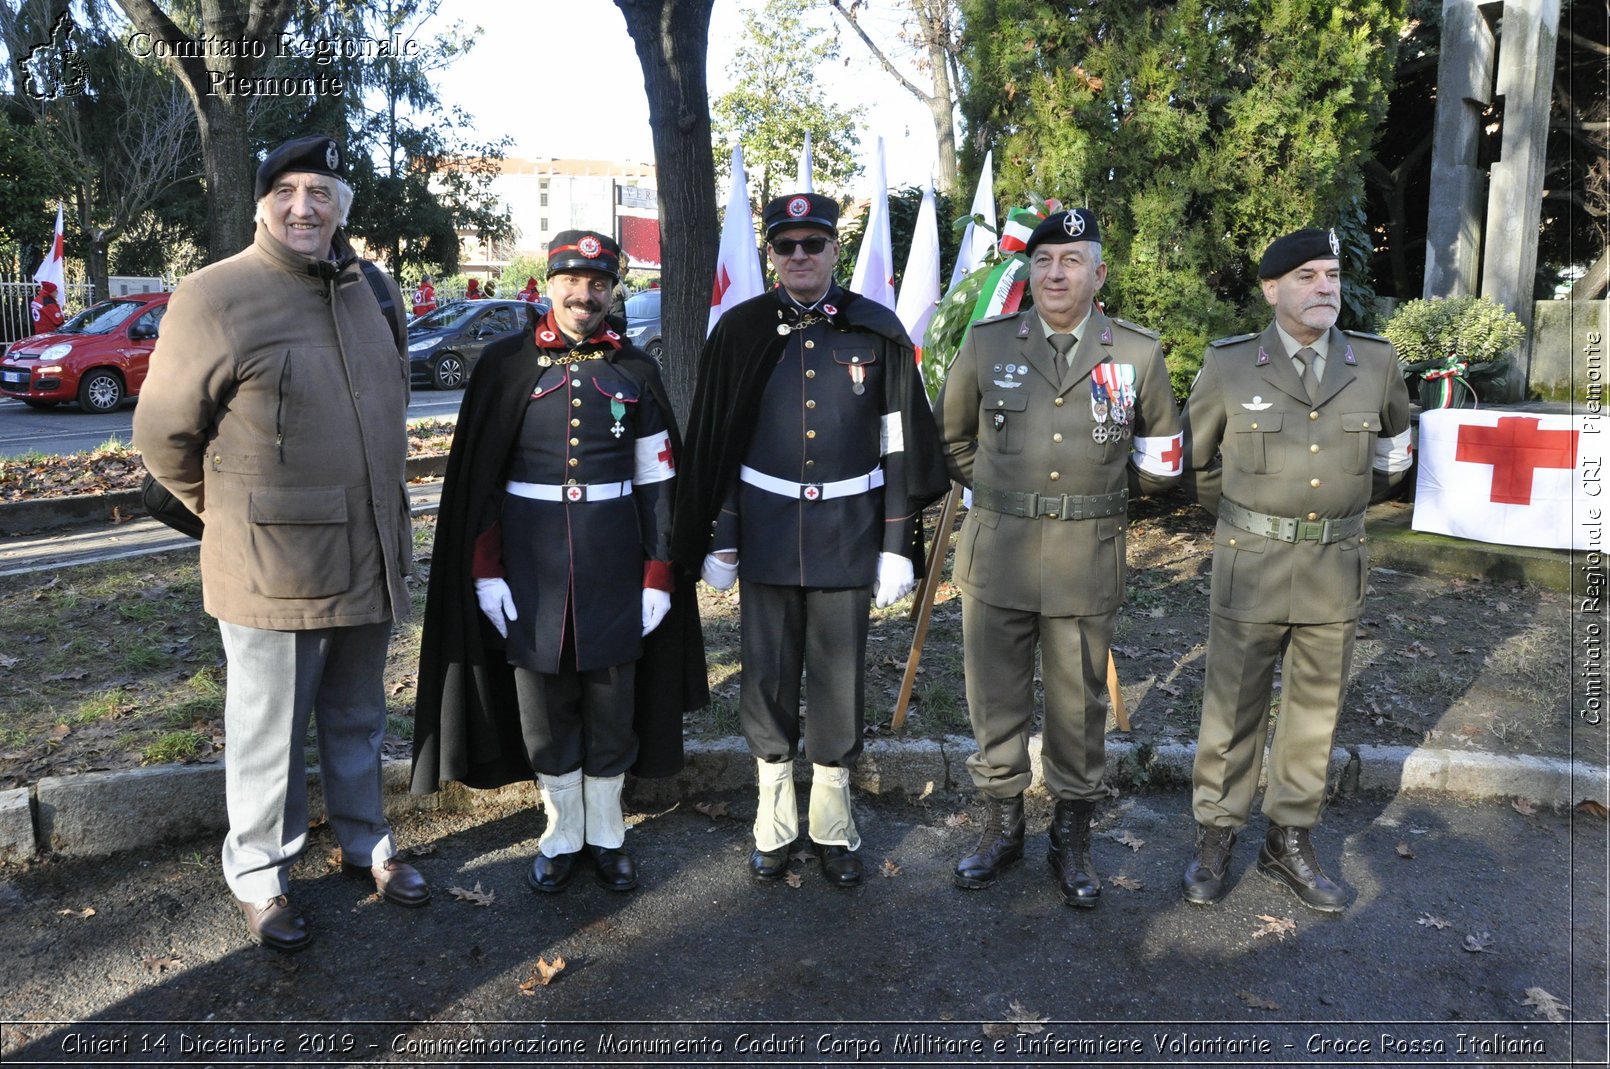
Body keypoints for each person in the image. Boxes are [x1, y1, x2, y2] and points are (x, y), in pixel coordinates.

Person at [133, 134, 427, 953]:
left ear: (342, 206)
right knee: (268, 725)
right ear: (263, 203)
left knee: (359, 711)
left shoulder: (374, 288)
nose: (305, 207)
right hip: (271, 568)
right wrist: (227, 516)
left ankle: (366, 840)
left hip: (368, 547)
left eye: (322, 192)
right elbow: (162, 437)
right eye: (288, 191)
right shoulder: (216, 294)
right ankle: (260, 875)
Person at [411, 230, 705, 894]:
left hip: (614, 567)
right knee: (543, 709)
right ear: (550, 284)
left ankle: (607, 833)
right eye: (572, 281)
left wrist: (660, 573)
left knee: (610, 703)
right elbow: (479, 484)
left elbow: (660, 477)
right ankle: (561, 831)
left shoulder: (636, 370)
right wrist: (485, 570)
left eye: (599, 284)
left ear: (612, 292)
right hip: (531, 573)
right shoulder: (504, 366)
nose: (585, 294)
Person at [673, 192, 948, 888]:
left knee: (837, 674)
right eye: (786, 245)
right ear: (771, 254)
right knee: (765, 673)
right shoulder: (738, 333)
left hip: (849, 533)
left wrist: (896, 542)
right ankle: (773, 816)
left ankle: (830, 817)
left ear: (834, 251)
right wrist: (724, 535)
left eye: (813, 244)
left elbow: (897, 441)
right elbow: (724, 444)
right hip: (765, 529)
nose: (800, 256)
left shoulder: (874, 329)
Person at [934, 208, 1182, 908]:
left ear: (1098, 274)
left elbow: (1162, 459)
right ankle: (1001, 828)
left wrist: (1094, 496)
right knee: (996, 698)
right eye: (1044, 261)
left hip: (1085, 556)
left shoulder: (1135, 353)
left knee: (1078, 707)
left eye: (1071, 260)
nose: (1054, 272)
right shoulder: (987, 345)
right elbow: (952, 442)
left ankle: (1071, 837)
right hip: (1000, 554)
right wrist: (1008, 494)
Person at [1178, 227, 1411, 912]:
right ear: (1271, 288)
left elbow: (1394, 454)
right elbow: (1197, 465)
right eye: (1307, 276)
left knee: (1314, 712)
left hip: (1335, 565)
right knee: (1232, 708)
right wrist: (1253, 516)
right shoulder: (1229, 366)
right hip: (1250, 564)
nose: (1325, 288)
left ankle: (1288, 840)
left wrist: (1340, 510)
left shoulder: (1375, 363)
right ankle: (1216, 836)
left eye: (1332, 275)